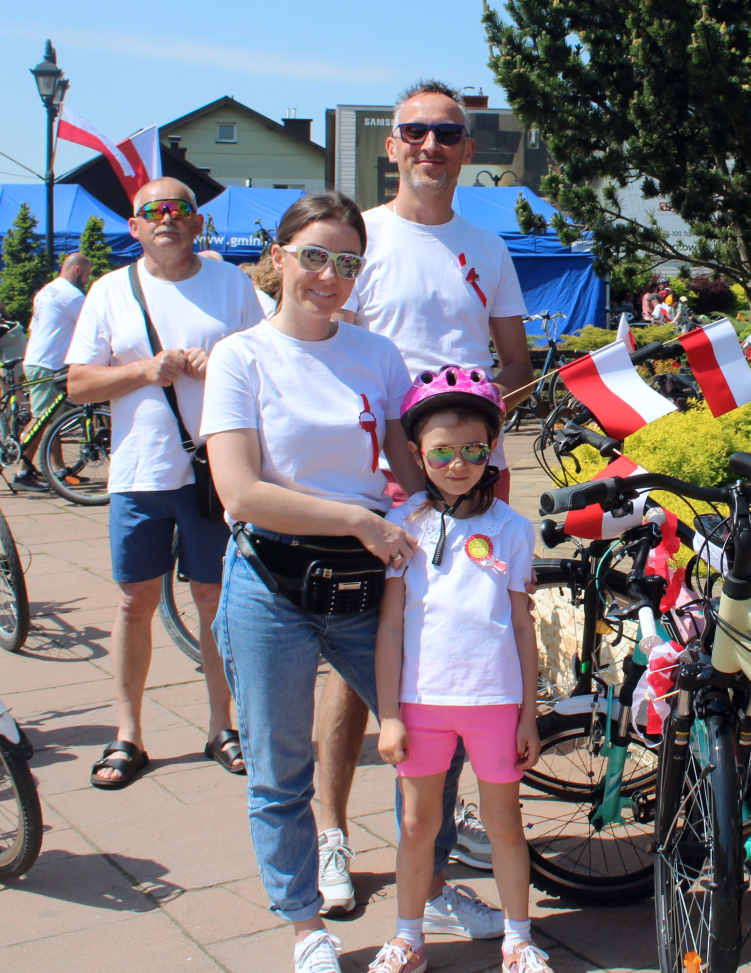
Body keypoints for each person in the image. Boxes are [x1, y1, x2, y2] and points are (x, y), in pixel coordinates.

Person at [200, 193, 426, 972]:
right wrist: (361, 518)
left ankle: (421, 898)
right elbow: (240, 493)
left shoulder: (377, 356)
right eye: (315, 256)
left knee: (426, 740)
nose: (330, 276)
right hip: (272, 579)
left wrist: (455, 510)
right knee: (279, 767)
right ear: (280, 256)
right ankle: (306, 928)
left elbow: (407, 465)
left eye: (348, 263)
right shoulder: (240, 357)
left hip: (369, 582)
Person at [329, 77, 535, 904]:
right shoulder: (362, 237)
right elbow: (328, 351)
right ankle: (333, 837)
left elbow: (515, 363)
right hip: (378, 475)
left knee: (457, 650)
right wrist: (399, 440)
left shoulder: (487, 247)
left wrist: (471, 424)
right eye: (414, 130)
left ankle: (435, 853)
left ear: (467, 149)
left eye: (446, 133)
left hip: (466, 478)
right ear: (392, 146)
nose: (430, 145)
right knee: (358, 661)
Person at [66, 177, 260, 790]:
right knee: (134, 601)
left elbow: (269, 364)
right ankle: (128, 734)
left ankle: (223, 726)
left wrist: (220, 363)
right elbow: (77, 384)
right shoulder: (109, 290)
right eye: (153, 210)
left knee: (215, 600)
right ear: (135, 226)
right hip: (139, 472)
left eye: (179, 208)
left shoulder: (231, 284)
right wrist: (146, 371)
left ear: (197, 222)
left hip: (213, 470)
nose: (166, 218)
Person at [370, 366, 548, 973]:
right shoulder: (404, 528)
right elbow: (390, 628)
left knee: (505, 825)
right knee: (418, 824)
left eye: (474, 450)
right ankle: (409, 936)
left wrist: (528, 714)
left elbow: (521, 626)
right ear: (416, 453)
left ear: (491, 449)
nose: (458, 464)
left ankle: (518, 938)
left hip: (495, 702)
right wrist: (389, 715)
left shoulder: (512, 530)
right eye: (442, 451)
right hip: (422, 702)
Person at [13, 253, 92, 493]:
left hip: (40, 360)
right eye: (87, 275)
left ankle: (58, 469)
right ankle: (22, 472)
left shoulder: (46, 291)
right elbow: (95, 321)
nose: (87, 280)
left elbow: (34, 327)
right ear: (77, 270)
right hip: (47, 363)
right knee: (41, 419)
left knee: (52, 419)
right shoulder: (70, 294)